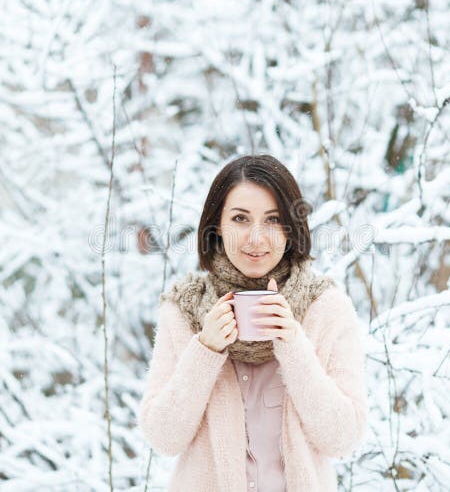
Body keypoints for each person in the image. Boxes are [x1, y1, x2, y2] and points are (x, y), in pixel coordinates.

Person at [139, 154, 368, 491]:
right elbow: (163, 437)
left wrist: (293, 345)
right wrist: (205, 350)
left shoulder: (325, 308)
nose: (256, 238)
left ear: (291, 228)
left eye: (273, 220)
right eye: (240, 219)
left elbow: (343, 438)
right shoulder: (184, 308)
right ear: (217, 226)